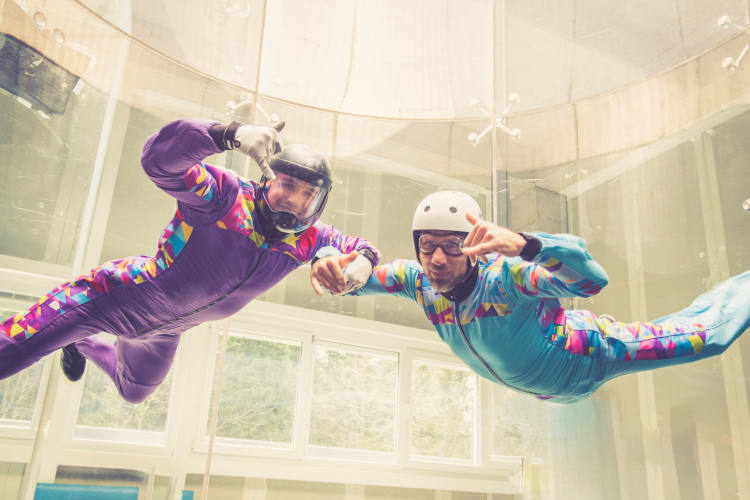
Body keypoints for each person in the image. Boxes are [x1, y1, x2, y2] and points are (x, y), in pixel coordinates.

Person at [0, 118, 378, 403]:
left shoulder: (311, 239)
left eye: (308, 193)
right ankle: (76, 333)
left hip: (164, 331)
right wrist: (225, 133)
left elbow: (360, 250)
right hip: (110, 297)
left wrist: (356, 265)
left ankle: (79, 343)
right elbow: (158, 162)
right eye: (288, 184)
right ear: (267, 179)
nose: (295, 201)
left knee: (133, 393)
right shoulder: (225, 196)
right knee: (10, 354)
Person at [310, 191, 750, 403]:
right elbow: (352, 275)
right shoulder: (417, 280)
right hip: (554, 394)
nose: (438, 259)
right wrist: (330, 260)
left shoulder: (508, 279)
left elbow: (591, 281)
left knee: (709, 337)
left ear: (473, 245)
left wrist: (530, 246)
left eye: (452, 246)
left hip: (589, 354)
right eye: (427, 246)